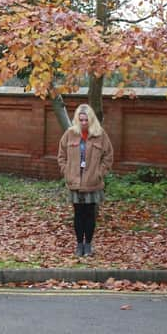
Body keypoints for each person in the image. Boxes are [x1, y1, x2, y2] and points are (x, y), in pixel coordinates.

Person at [57, 104, 113, 257]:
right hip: (74, 182)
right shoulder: (70, 134)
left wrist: (99, 173)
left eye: (86, 119)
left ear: (91, 119)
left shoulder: (100, 135)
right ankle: (79, 245)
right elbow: (61, 156)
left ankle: (88, 244)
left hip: (92, 183)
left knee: (89, 214)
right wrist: (66, 171)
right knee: (78, 214)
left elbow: (108, 157)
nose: (83, 122)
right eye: (80, 119)